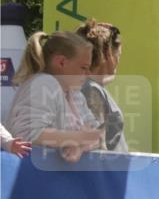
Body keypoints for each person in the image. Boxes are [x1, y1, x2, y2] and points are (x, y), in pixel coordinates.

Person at [9, 30, 103, 162]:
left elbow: (97, 135)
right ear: (61, 62)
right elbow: (27, 134)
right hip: (30, 175)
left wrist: (80, 147)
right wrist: (76, 138)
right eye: (83, 67)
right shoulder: (44, 83)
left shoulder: (75, 94)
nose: (88, 74)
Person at [76, 19, 128, 152]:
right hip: (106, 170)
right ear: (108, 53)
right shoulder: (91, 90)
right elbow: (97, 145)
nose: (118, 61)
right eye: (118, 55)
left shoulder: (90, 86)